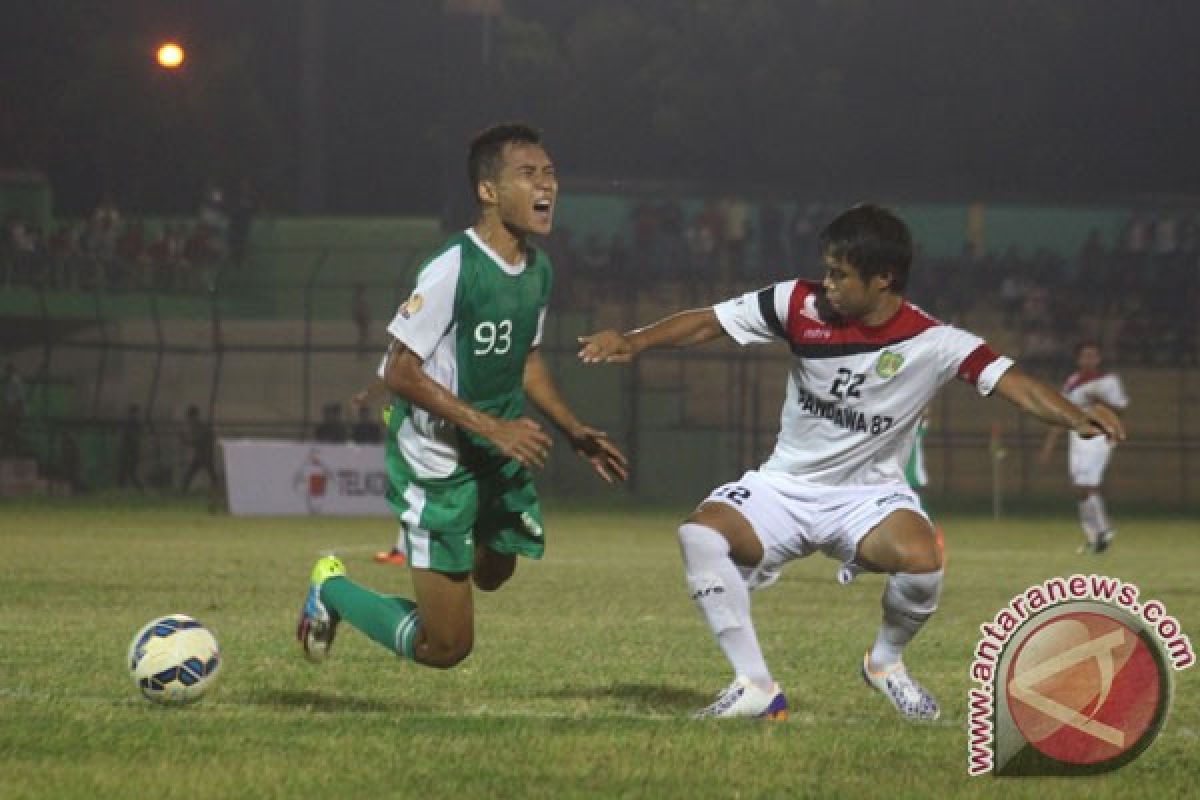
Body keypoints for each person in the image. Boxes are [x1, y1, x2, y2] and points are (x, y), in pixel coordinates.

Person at [578, 204, 1123, 722]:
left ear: (883, 278)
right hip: (785, 487)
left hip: (870, 497)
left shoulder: (934, 340)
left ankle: (884, 663)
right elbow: (711, 321)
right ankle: (755, 687)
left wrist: (1075, 416)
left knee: (923, 561)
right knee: (699, 536)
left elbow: (1012, 382)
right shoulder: (798, 304)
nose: (828, 283)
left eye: (840, 274)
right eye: (828, 271)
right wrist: (634, 340)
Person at [297, 122, 628, 671]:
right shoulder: (454, 267)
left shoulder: (537, 269)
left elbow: (526, 360)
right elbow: (400, 371)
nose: (546, 185)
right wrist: (493, 427)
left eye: (550, 174)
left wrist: (574, 431)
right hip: (440, 461)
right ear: (488, 192)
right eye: (527, 174)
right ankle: (331, 590)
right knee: (446, 647)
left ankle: (445, 571)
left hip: (497, 452)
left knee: (496, 573)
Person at [1039, 341, 1128, 554]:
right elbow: (1062, 412)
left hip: (1100, 435)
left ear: (1099, 359)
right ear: (1078, 359)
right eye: (1085, 356)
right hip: (1077, 436)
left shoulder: (1109, 382)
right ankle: (1093, 535)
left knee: (1087, 485)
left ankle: (1103, 530)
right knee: (1079, 489)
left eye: (1093, 356)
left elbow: (1121, 410)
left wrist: (1102, 402)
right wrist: (1049, 444)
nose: (1088, 360)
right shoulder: (1072, 382)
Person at [179, 405, 217, 494]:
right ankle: (183, 492)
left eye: (190, 417)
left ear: (194, 416)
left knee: (191, 474)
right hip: (202, 456)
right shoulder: (198, 426)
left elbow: (197, 440)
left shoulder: (200, 427)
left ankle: (183, 492)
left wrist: (185, 440)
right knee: (191, 474)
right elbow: (196, 441)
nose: (189, 420)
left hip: (204, 456)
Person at [116, 403, 145, 492]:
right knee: (127, 471)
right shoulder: (133, 423)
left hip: (129, 450)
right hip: (130, 450)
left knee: (127, 471)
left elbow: (132, 437)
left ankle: (136, 488)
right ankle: (136, 488)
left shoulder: (132, 423)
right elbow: (132, 437)